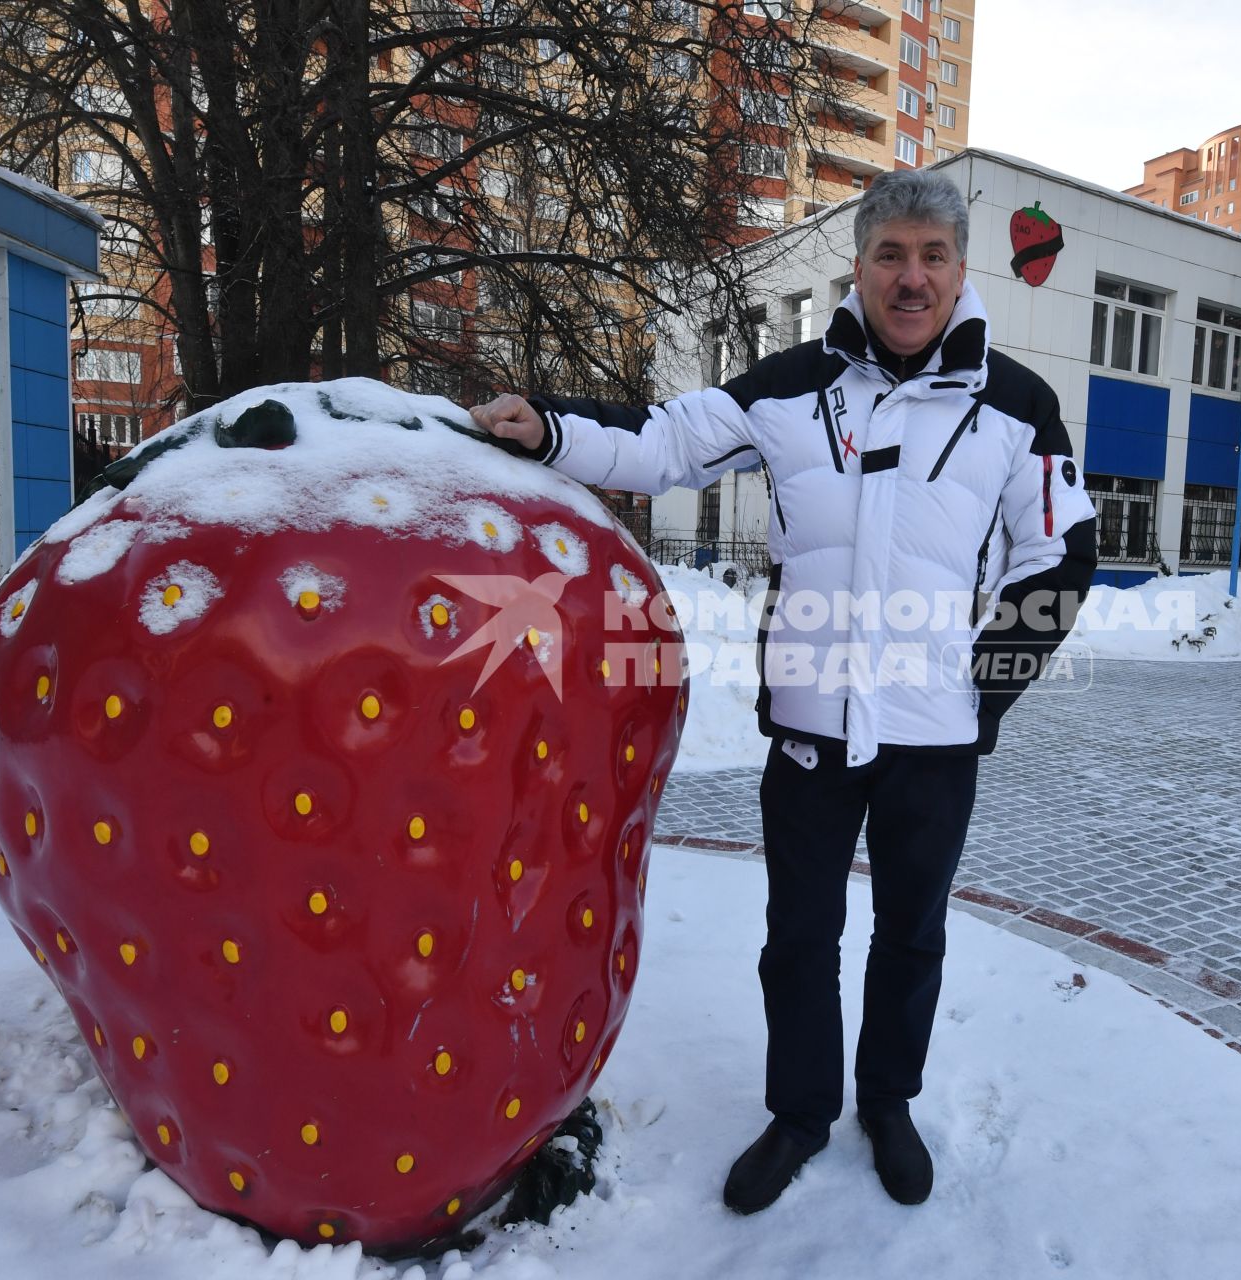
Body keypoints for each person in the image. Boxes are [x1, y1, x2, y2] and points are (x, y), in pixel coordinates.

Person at [468, 169, 1097, 1215]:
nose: (910, 277)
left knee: (912, 933)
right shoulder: (790, 384)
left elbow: (1062, 553)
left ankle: (887, 1103)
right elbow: (663, 442)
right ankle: (801, 1111)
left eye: (932, 257)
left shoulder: (1018, 406)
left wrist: (983, 693)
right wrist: (551, 428)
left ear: (959, 272)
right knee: (799, 934)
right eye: (891, 254)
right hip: (810, 728)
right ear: (859, 267)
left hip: (933, 742)